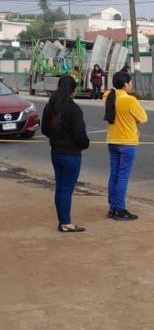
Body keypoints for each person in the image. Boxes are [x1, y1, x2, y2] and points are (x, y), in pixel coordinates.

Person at [41, 75, 90, 232]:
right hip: (71, 154)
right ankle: (65, 223)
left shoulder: (50, 106)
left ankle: (63, 220)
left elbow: (44, 129)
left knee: (60, 187)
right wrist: (85, 144)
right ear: (73, 90)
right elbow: (79, 133)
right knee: (66, 189)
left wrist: (56, 138)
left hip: (56, 152)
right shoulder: (73, 109)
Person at [104, 71, 148, 221]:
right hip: (127, 141)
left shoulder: (109, 97)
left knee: (114, 175)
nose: (131, 85)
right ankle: (120, 208)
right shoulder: (130, 100)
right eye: (130, 83)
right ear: (125, 84)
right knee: (123, 176)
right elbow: (143, 117)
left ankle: (112, 207)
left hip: (113, 140)